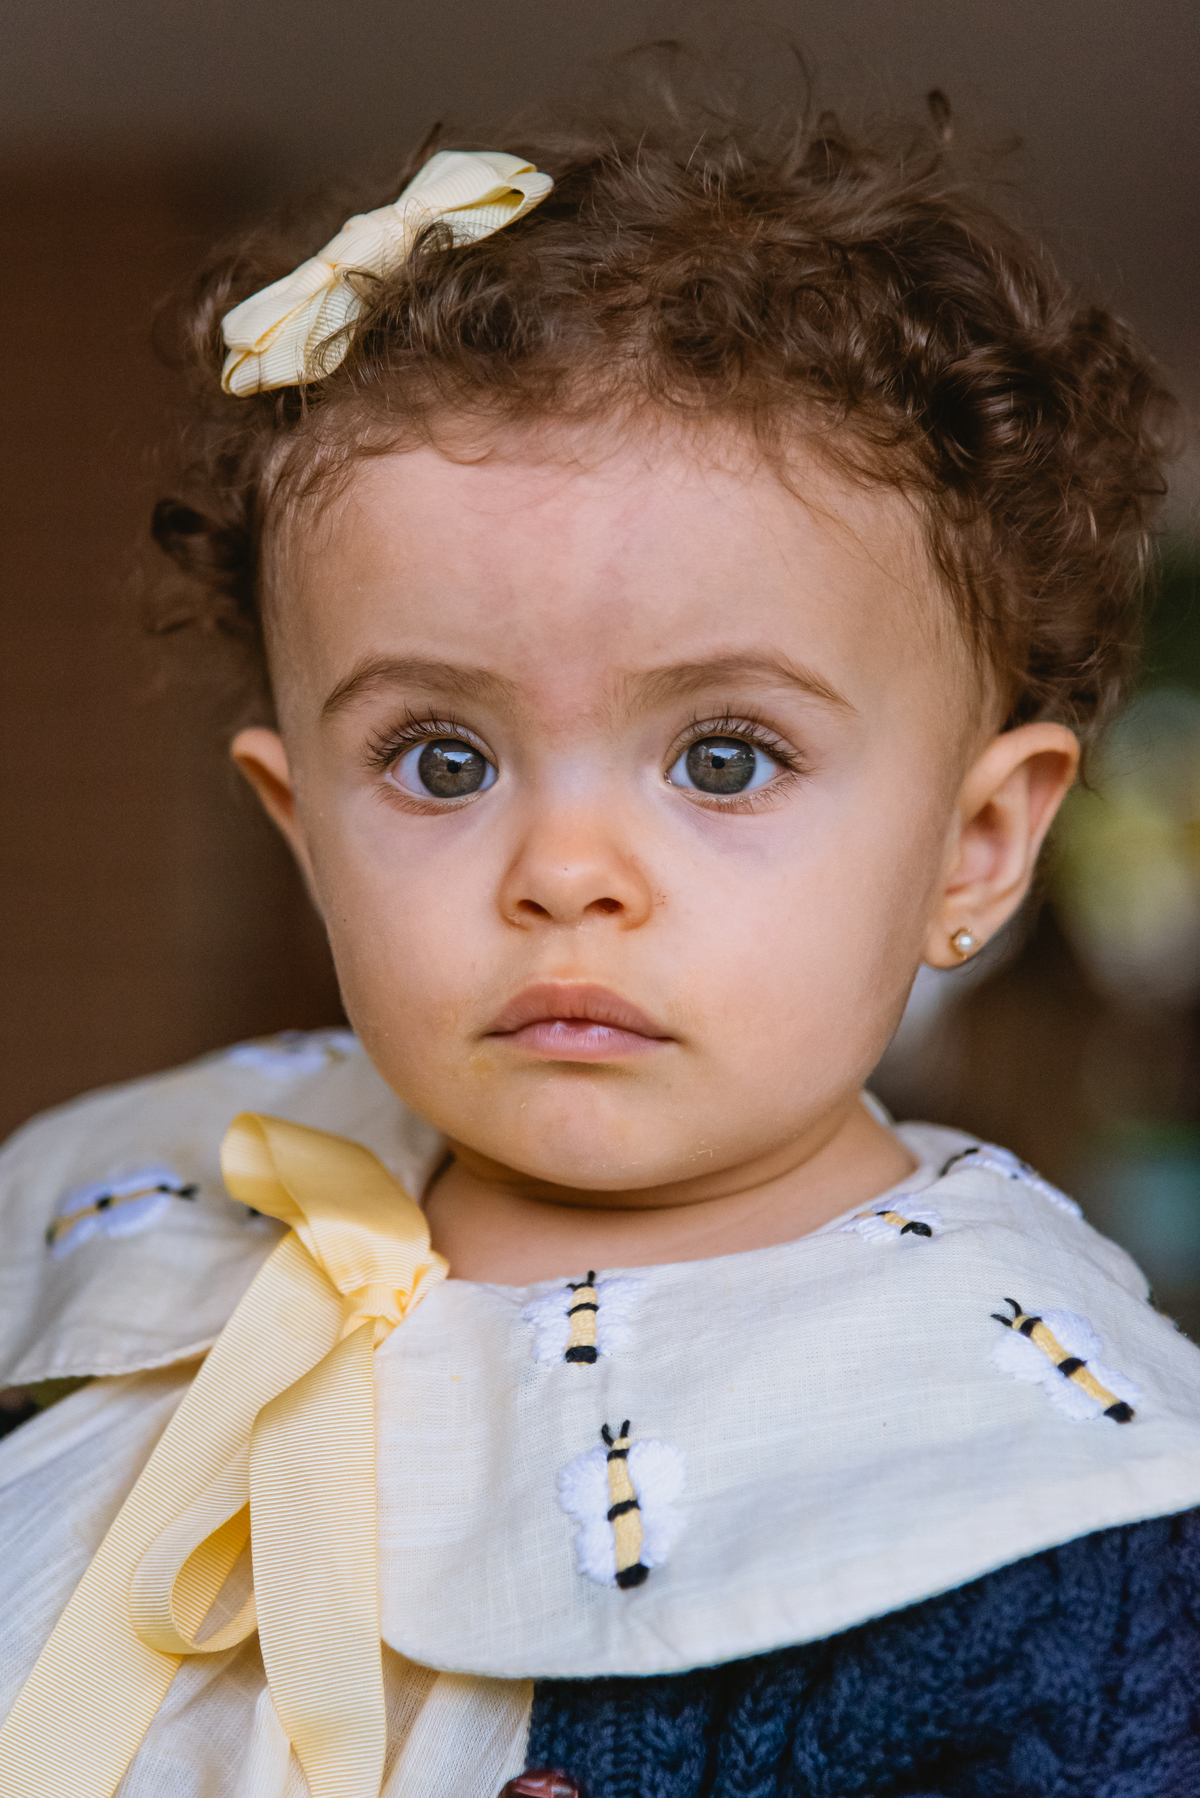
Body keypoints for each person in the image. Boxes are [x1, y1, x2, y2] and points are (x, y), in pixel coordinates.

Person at [1, 63, 1198, 1798]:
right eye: (441, 757)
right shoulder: (148, 1213)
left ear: (978, 843)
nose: (567, 869)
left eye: (725, 756)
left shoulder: (1045, 1492)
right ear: (302, 834)